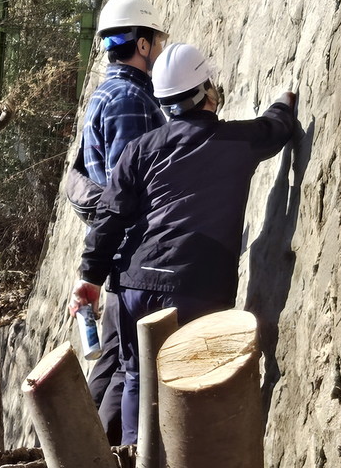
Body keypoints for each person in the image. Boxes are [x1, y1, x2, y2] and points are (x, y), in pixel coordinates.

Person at [70, 43, 297, 444]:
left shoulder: (140, 150)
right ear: (207, 91)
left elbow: (111, 217)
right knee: (193, 386)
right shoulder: (236, 141)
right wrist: (285, 100)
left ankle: (134, 454)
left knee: (139, 379)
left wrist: (90, 277)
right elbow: (275, 128)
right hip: (197, 287)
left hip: (135, 286)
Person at [80, 0, 169, 445]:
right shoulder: (129, 99)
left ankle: (78, 448)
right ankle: (94, 452)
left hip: (118, 251)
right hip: (133, 252)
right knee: (124, 368)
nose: (157, 49)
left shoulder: (105, 94)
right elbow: (131, 184)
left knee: (114, 360)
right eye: (155, 39)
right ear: (141, 44)